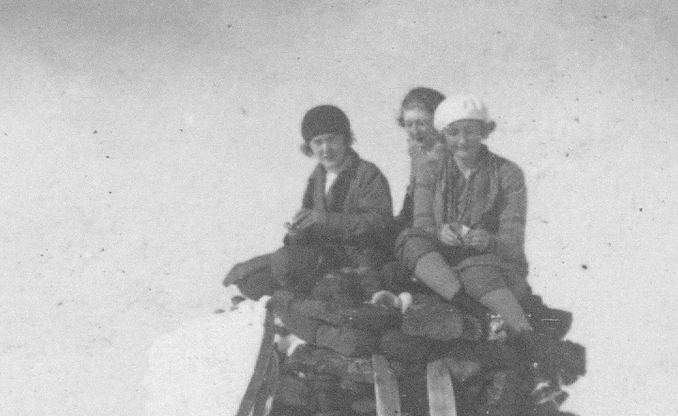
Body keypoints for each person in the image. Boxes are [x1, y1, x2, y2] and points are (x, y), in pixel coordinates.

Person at [395, 94, 534, 335]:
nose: (462, 140)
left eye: (471, 131)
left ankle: (524, 334)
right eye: (453, 132)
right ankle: (474, 310)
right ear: (443, 135)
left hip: (488, 261)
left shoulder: (507, 173)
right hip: (442, 258)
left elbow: (513, 239)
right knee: (409, 240)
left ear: (485, 131)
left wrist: (489, 240)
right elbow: (422, 222)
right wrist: (439, 233)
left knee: (476, 272)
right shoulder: (430, 169)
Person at [224, 104, 393, 299]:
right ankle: (315, 291)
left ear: (346, 140)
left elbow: (379, 224)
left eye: (332, 140)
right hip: (321, 255)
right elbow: (310, 225)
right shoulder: (318, 177)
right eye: (317, 142)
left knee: (284, 263)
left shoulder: (367, 174)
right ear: (309, 146)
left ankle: (320, 292)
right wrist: (297, 233)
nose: (325, 149)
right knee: (249, 276)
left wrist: (324, 220)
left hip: (355, 259)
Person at [395, 87, 446, 231]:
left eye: (421, 124)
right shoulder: (418, 153)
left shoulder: (445, 156)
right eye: (409, 124)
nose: (415, 131)